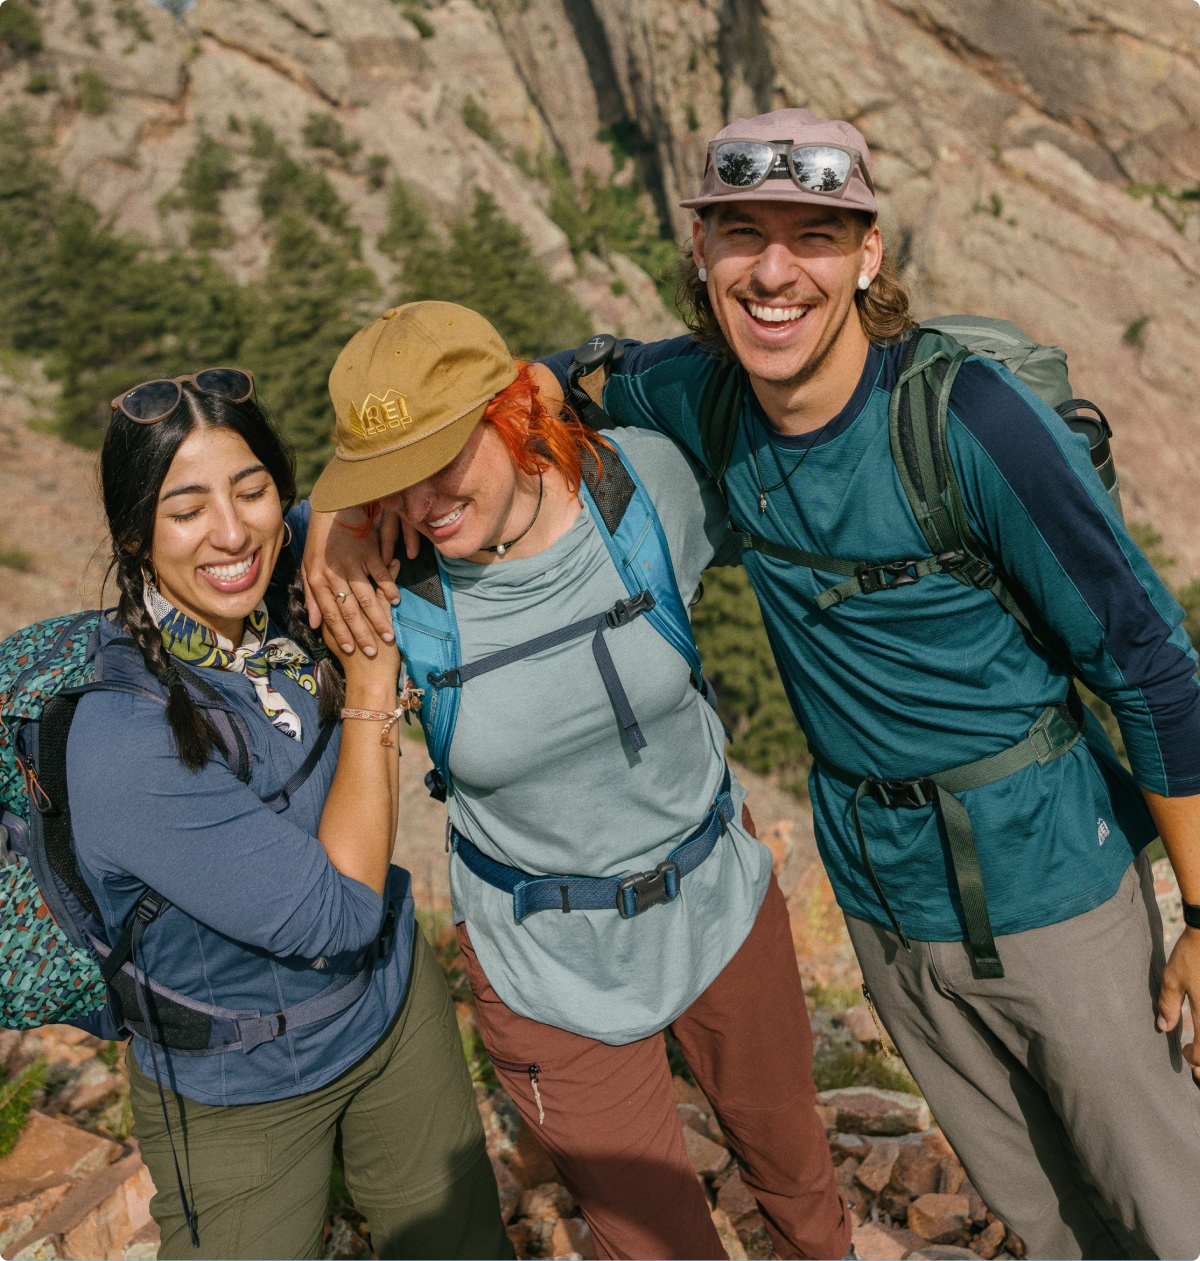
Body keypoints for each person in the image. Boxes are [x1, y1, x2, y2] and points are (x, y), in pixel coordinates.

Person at [311, 113, 1200, 1260]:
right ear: (702, 254)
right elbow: (540, 377)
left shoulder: (969, 420)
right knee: (1037, 1211)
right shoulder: (696, 395)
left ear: (867, 256)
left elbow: (1151, 666)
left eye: (814, 236)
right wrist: (338, 514)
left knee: (1167, 1202)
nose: (775, 270)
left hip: (1054, 883)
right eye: (743, 234)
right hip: (881, 906)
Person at [298, 301, 851, 1260]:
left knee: (798, 1178)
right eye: (390, 480)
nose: (423, 502)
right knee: (654, 1241)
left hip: (717, 900)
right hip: (542, 960)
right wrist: (332, 519)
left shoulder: (641, 489)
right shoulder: (381, 582)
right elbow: (221, 540)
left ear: (512, 413)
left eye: (443, 459)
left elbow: (770, 406)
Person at [66, 370, 512, 1260]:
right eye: (186, 507)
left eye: (254, 490)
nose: (233, 533)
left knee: (461, 1246)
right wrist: (374, 682)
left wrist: (337, 524)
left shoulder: (280, 580)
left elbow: (399, 479)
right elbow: (337, 912)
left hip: (389, 1008)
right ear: (132, 532)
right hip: (236, 1089)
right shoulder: (121, 741)